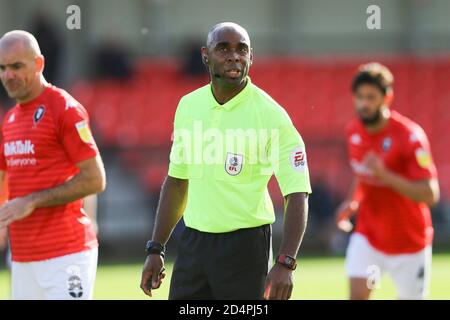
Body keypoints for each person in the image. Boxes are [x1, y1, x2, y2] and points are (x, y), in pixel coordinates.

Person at [140, 22, 311, 300]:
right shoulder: (188, 106)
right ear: (205, 55)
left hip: (246, 247)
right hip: (193, 244)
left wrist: (286, 262)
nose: (234, 56)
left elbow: (297, 192)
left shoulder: (271, 115)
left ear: (251, 56)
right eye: (223, 48)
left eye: (242, 49)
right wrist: (156, 249)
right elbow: (177, 181)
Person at [0, 30, 106, 300]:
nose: (7, 75)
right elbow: (4, 177)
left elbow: (95, 179)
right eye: (2, 68)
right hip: (22, 257)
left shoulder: (65, 109)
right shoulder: (10, 119)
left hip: (66, 255)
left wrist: (32, 201)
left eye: (16, 66)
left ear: (39, 64)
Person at [336, 62, 440, 300]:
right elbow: (362, 174)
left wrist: (386, 175)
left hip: (409, 241)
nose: (364, 103)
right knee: (357, 296)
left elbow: (430, 194)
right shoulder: (353, 131)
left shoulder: (410, 136)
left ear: (387, 97)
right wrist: (351, 203)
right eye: (360, 97)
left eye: (371, 97)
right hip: (369, 235)